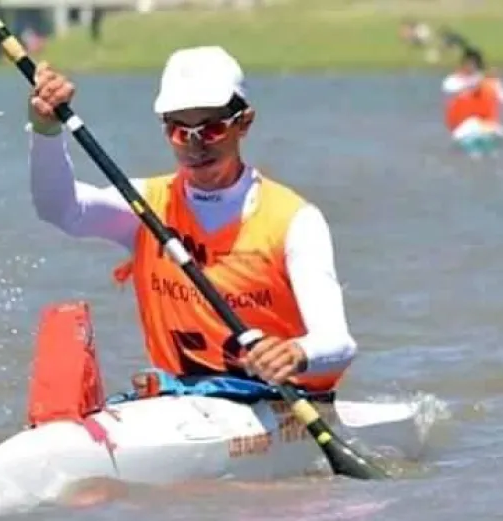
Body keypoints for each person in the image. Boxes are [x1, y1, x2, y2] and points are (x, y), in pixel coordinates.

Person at [26, 46, 356, 393]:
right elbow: (59, 209)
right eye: (180, 132)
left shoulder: (295, 221)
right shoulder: (146, 208)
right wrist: (45, 131)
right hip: (183, 402)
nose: (195, 147)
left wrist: (297, 352)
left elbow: (339, 343)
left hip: (282, 402)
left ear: (244, 122)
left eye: (211, 129)